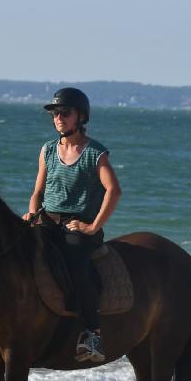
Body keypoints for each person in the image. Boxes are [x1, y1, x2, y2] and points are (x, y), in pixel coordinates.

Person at [22, 88, 122, 362]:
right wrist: (32, 213)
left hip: (79, 226)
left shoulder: (95, 153)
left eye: (64, 113)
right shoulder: (48, 150)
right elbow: (37, 193)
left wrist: (92, 228)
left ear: (81, 116)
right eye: (55, 114)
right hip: (47, 220)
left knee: (77, 265)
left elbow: (114, 191)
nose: (58, 118)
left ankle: (93, 334)